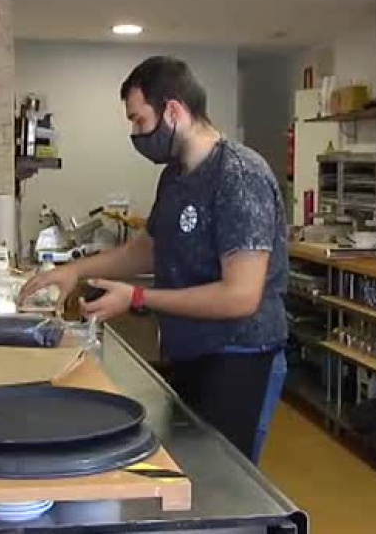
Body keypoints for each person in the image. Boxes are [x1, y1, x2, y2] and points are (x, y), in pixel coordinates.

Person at [20, 56, 289, 463]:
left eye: (139, 120)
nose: (136, 133)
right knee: (188, 468)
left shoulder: (239, 175)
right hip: (190, 350)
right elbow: (145, 250)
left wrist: (137, 298)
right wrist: (73, 271)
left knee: (221, 476)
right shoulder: (176, 176)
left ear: (174, 111)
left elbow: (240, 296)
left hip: (240, 356)